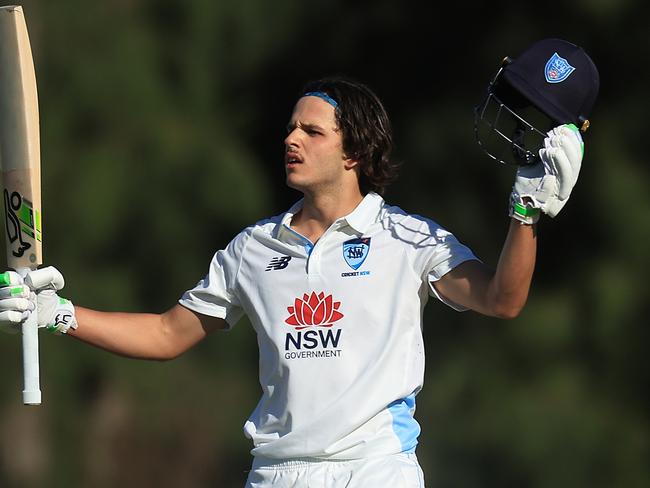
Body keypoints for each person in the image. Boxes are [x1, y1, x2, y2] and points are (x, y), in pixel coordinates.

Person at [1, 40, 594, 487]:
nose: (292, 139)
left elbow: (502, 299)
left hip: (376, 470)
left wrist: (525, 214)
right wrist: (61, 315)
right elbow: (165, 333)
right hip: (279, 473)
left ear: (355, 150)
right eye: (290, 128)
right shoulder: (251, 249)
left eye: (312, 131)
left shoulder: (410, 239)